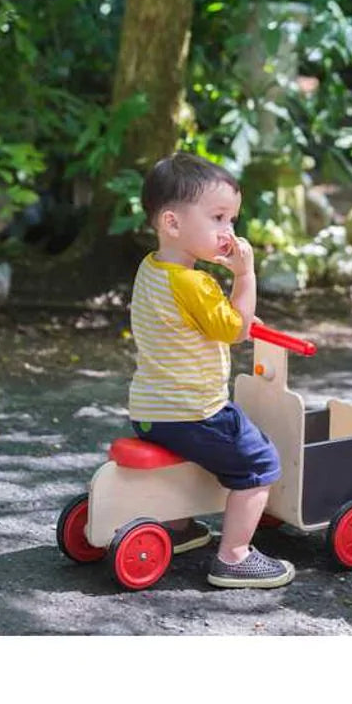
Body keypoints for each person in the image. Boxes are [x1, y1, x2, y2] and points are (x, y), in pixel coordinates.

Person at [128, 152, 294, 589]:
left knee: (193, 455)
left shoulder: (152, 269)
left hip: (150, 411)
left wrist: (234, 312)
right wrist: (245, 277)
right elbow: (235, 331)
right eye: (218, 218)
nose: (229, 232)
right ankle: (234, 556)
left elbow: (195, 322)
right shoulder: (195, 284)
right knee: (260, 461)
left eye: (232, 220)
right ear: (172, 223)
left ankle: (177, 527)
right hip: (195, 412)